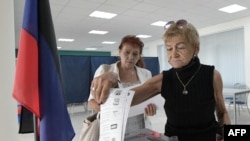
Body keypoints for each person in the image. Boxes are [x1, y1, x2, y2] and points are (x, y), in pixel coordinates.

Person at [90, 20, 231, 141]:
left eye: (180, 47)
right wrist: (112, 77)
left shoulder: (212, 75)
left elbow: (222, 112)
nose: (173, 54)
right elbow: (124, 99)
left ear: (196, 48)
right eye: (169, 48)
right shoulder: (163, 79)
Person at [88, 35, 157, 133]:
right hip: (113, 129)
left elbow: (149, 100)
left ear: (139, 56)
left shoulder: (146, 74)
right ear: (119, 51)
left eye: (135, 54)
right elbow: (91, 103)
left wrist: (151, 109)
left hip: (140, 129)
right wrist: (111, 110)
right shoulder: (105, 70)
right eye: (127, 52)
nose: (130, 57)